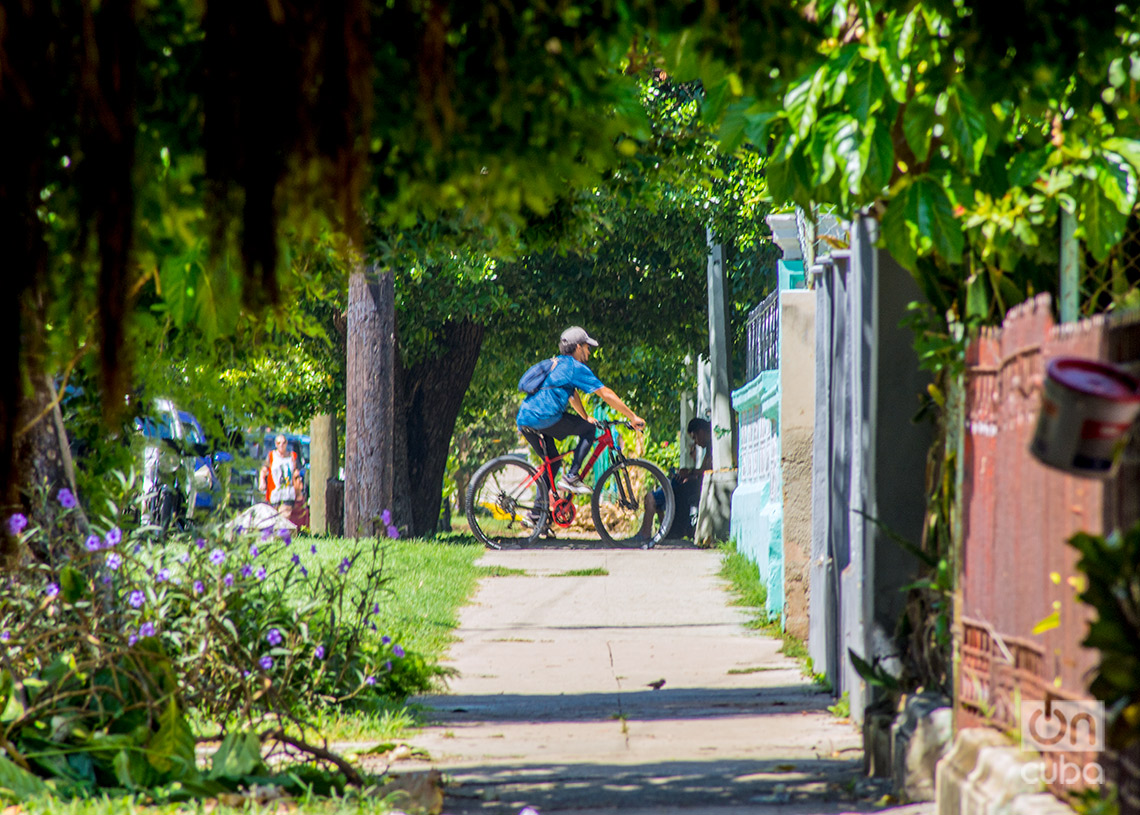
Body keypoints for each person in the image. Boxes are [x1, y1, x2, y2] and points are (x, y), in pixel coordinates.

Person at [517, 326, 646, 496]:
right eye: (587, 347)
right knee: (589, 430)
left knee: (552, 463)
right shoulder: (574, 367)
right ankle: (571, 477)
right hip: (544, 417)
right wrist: (632, 416)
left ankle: (536, 517)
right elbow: (605, 393)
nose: (589, 352)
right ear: (578, 347)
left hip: (525, 418)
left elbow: (573, 395)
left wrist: (585, 417)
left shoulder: (557, 364)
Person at [639, 417, 712, 540]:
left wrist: (689, 474)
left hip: (700, 486)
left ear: (701, 432)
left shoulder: (713, 447)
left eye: (695, 437)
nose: (696, 442)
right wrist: (688, 474)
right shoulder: (709, 448)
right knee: (675, 484)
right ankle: (665, 527)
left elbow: (704, 471)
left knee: (677, 490)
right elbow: (702, 471)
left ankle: (668, 528)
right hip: (698, 483)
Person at [264, 434, 302, 518]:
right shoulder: (271, 456)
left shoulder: (292, 456)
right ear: (276, 444)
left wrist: (298, 491)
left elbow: (296, 473)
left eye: (283, 443)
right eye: (279, 443)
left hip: (288, 493)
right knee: (273, 519)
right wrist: (262, 482)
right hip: (274, 494)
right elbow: (264, 470)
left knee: (284, 519)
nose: (281, 445)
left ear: (286, 443)